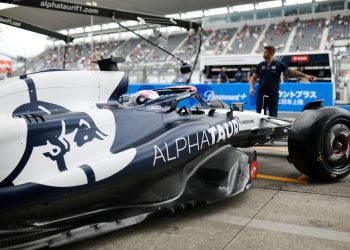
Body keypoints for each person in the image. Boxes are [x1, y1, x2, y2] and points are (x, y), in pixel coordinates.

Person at [249, 46, 315, 117]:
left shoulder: (279, 65)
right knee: (259, 116)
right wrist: (251, 88)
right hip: (261, 95)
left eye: (265, 52)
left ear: (271, 53)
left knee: (273, 117)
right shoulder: (260, 65)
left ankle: (272, 128)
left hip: (273, 95)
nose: (263, 54)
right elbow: (253, 78)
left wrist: (306, 76)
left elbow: (293, 73)